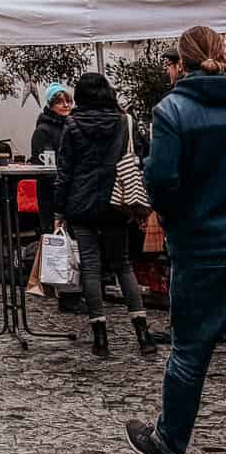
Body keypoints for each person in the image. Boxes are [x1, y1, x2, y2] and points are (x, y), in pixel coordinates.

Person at [127, 24, 226, 454]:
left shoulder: (173, 111)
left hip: (200, 245)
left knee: (190, 350)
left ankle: (170, 444)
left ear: (180, 63)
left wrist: (171, 220)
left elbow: (161, 180)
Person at [55, 71, 157, 360]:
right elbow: (138, 157)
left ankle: (100, 335)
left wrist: (59, 210)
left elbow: (65, 172)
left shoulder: (72, 125)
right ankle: (142, 332)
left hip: (81, 203)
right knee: (123, 265)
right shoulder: (125, 122)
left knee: (90, 267)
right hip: (117, 201)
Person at [30, 82, 73, 235]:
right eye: (60, 101)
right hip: (51, 192)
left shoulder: (71, 126)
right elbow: (43, 165)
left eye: (68, 101)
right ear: (50, 105)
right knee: (53, 236)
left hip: (70, 190)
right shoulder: (43, 130)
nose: (66, 105)